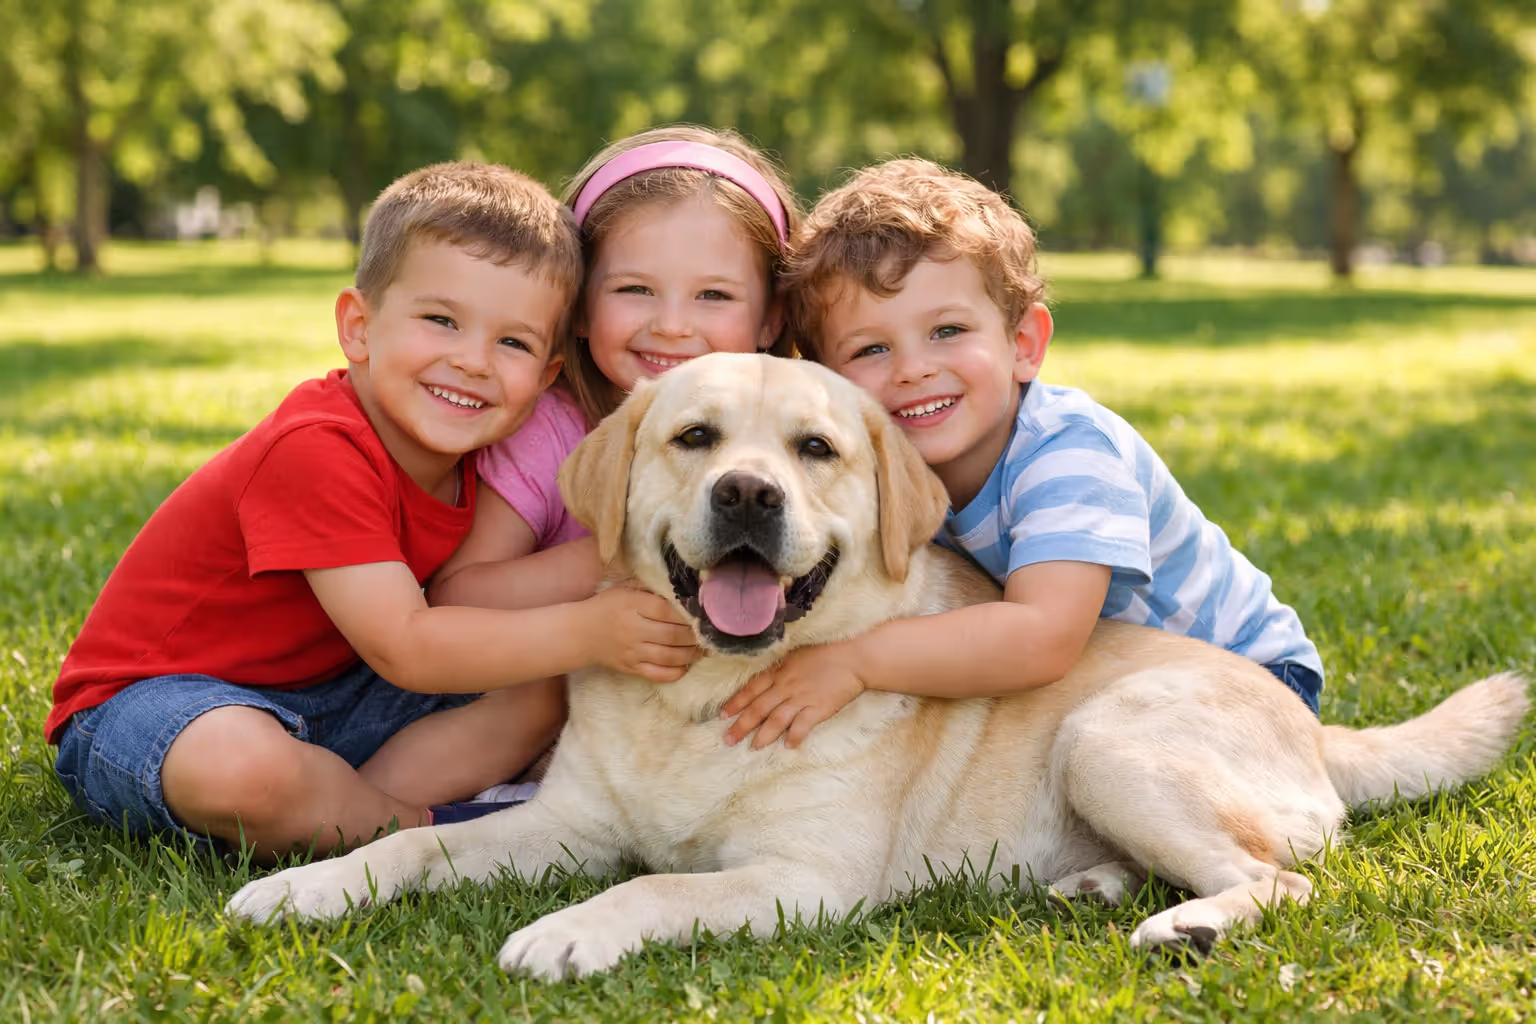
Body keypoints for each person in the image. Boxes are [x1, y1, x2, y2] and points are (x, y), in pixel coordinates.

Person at [46, 162, 696, 861]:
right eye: (441, 320)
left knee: (540, 693)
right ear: (358, 327)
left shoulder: (474, 456)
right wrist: (592, 630)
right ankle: (414, 831)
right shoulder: (317, 446)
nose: (473, 362)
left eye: (512, 342)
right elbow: (406, 644)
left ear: (544, 379)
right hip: (160, 704)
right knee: (241, 767)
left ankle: (343, 811)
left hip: (338, 691)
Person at [722, 158, 1325, 749]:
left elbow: (1042, 637)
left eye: (948, 332)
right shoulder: (878, 470)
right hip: (1103, 693)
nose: (913, 369)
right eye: (870, 350)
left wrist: (856, 663)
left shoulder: (1070, 453)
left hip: (1244, 685)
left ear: (1024, 344)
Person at [429, 125, 800, 623]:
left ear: (770, 318)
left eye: (713, 295)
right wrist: (632, 553)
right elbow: (457, 595)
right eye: (635, 289)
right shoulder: (549, 433)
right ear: (578, 305)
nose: (671, 327)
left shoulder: (797, 430)